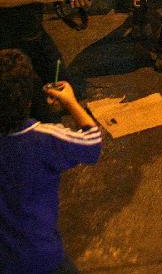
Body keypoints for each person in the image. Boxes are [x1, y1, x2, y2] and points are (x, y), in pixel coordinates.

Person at [0, 49, 102, 273]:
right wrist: (71, 103)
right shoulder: (44, 139)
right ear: (28, 99)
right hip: (40, 256)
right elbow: (93, 143)